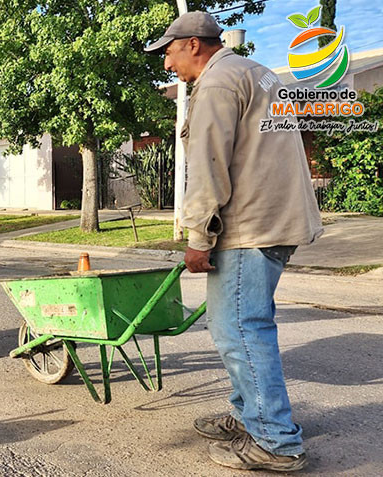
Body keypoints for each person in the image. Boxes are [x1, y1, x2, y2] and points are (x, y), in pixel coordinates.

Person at [145, 12, 323, 472]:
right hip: (276, 220)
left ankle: (276, 442)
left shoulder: (218, 83)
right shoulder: (257, 73)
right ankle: (250, 416)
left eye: (169, 52)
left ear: (194, 44)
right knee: (245, 326)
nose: (167, 64)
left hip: (249, 227)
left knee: (240, 330)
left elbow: (209, 166)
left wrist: (198, 238)